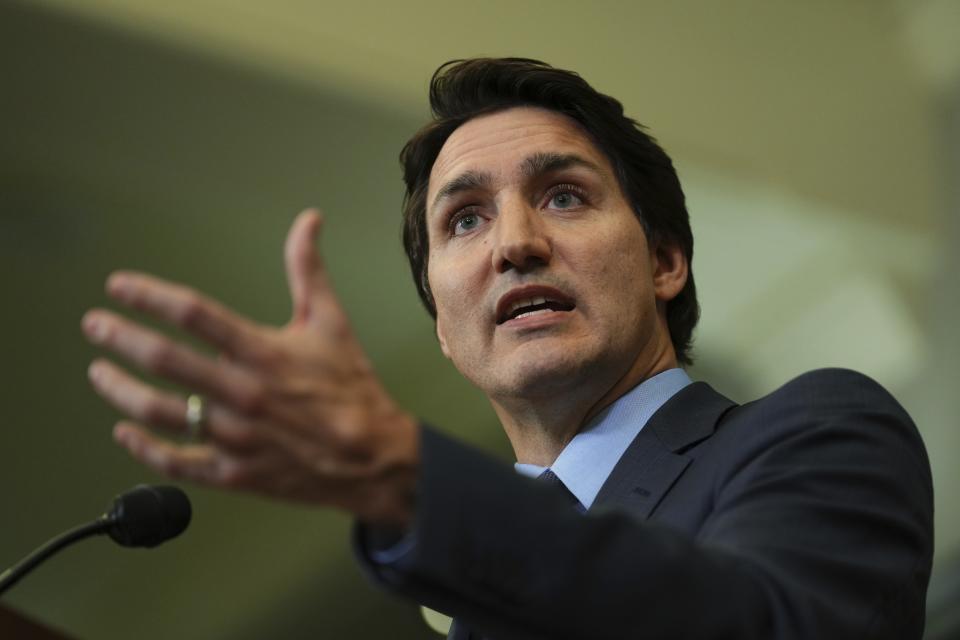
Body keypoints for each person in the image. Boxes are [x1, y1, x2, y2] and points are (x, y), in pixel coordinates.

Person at [82, 58, 933, 639]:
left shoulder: (817, 428)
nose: (514, 244)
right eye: (465, 218)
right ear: (446, 332)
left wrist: (406, 477)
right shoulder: (458, 590)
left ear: (666, 260)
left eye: (564, 197)